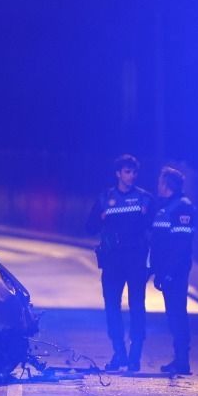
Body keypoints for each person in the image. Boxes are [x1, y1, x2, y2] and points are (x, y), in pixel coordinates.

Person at [85, 153, 153, 371]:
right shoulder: (105, 198)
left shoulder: (145, 199)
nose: (131, 176)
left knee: (137, 307)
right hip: (113, 261)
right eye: (127, 172)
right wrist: (100, 218)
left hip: (135, 260)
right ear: (118, 174)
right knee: (112, 307)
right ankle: (119, 353)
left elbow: (154, 230)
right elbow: (89, 227)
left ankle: (135, 355)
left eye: (134, 172)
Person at [150, 166, 196, 375]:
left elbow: (181, 246)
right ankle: (178, 359)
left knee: (178, 315)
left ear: (167, 185)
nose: (158, 186)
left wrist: (169, 273)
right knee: (173, 315)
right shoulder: (166, 207)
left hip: (175, 273)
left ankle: (182, 361)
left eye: (160, 182)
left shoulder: (181, 208)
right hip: (166, 272)